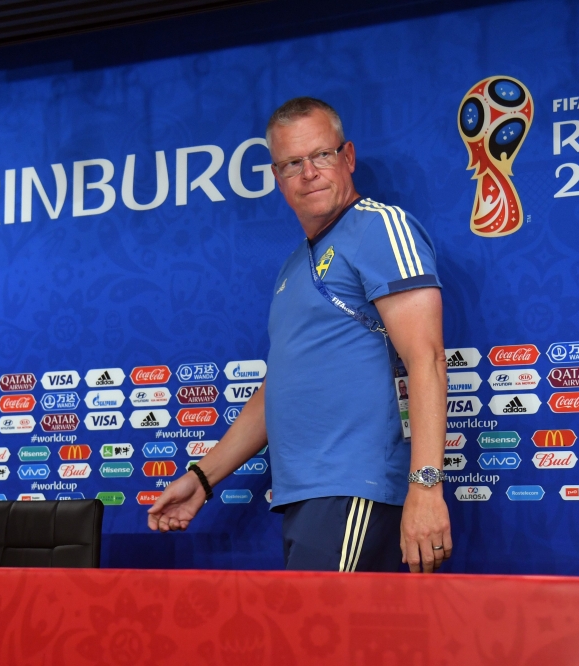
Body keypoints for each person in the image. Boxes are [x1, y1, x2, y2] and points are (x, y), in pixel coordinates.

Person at [148, 97, 451, 573]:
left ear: (348, 157)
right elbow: (279, 389)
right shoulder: (293, 265)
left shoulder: (378, 227)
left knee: (325, 624)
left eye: (321, 155)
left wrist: (427, 488)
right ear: (277, 176)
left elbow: (427, 358)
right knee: (324, 626)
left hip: (355, 489)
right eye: (292, 163)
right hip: (305, 495)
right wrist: (203, 478)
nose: (309, 173)